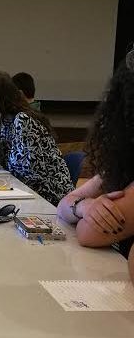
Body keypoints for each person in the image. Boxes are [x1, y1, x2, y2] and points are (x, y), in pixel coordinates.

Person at [57, 57, 134, 263]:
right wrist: (84, 206)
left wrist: (85, 212)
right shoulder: (123, 165)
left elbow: (87, 233)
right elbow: (64, 204)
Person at [0, 72, 73, 206]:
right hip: (24, 192)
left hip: (48, 196)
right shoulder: (4, 122)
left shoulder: (23, 120)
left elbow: (29, 174)